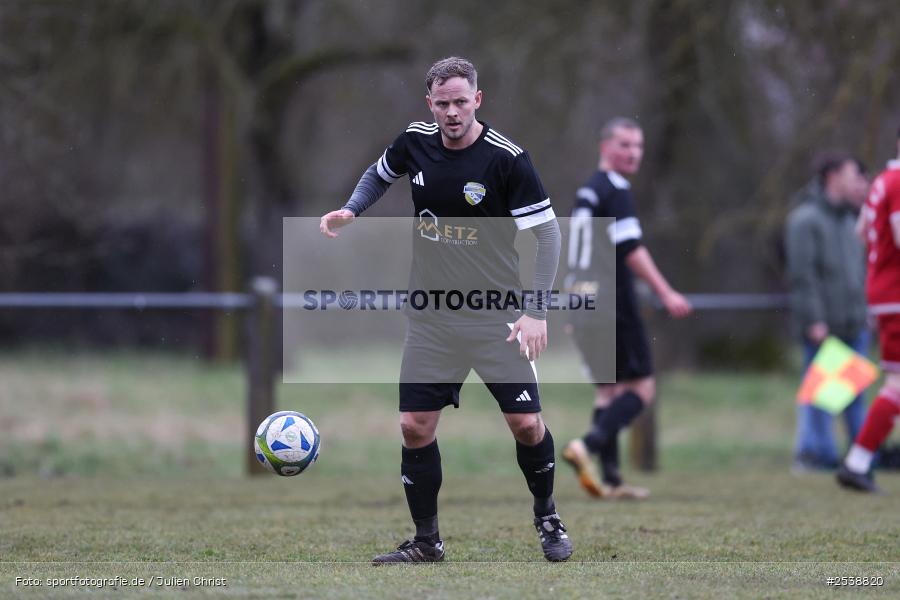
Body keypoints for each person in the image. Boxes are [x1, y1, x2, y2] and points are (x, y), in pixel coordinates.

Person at [319, 57, 572, 562]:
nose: (452, 112)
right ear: (429, 104)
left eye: (461, 102)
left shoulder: (507, 160)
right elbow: (379, 172)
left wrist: (536, 310)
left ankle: (547, 515)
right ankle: (427, 541)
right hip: (432, 317)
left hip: (496, 316)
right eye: (442, 103)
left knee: (525, 426)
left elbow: (548, 234)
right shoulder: (415, 139)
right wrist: (353, 208)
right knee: (415, 425)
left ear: (478, 100)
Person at [562, 117, 692, 500]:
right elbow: (631, 250)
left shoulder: (588, 191)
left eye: (638, 146)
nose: (632, 153)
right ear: (604, 147)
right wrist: (666, 292)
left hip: (583, 297)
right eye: (624, 145)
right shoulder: (616, 189)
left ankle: (613, 481)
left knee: (608, 392)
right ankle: (588, 445)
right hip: (612, 300)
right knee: (643, 389)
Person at [785, 153, 868, 471]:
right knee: (820, 395)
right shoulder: (806, 220)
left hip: (853, 322)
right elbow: (803, 276)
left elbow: (856, 273)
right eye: (852, 174)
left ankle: (856, 455)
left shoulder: (849, 220)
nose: (859, 182)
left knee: (850, 395)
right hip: (826, 324)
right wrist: (814, 319)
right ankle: (814, 455)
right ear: (832, 176)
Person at [837, 128, 900, 493]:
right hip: (895, 295)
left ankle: (858, 460)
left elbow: (863, 232)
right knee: (895, 384)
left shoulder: (880, 182)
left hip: (883, 292)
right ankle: (857, 461)